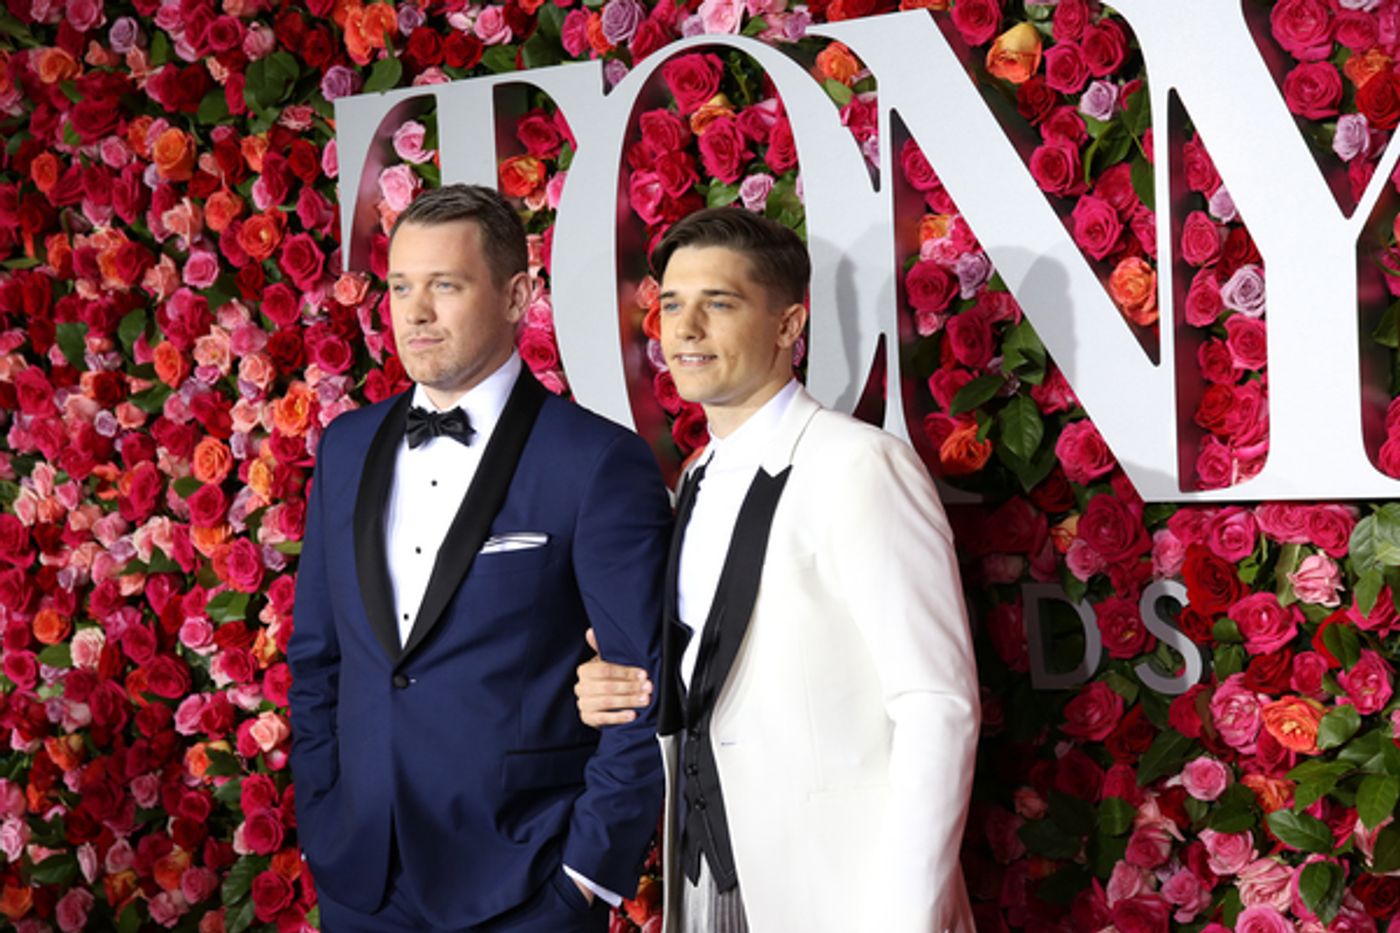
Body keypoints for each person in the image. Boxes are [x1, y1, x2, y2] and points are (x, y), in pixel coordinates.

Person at [574, 208, 979, 933]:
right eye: (671, 303)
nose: (685, 328)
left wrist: (905, 918)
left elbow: (936, 705)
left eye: (718, 303)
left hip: (839, 896)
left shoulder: (859, 464)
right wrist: (616, 681)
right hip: (707, 884)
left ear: (790, 324)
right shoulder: (694, 477)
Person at [288, 184, 670, 932]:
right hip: (360, 881)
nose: (415, 311)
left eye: (446, 285)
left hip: (526, 886)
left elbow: (642, 690)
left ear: (518, 295)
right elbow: (317, 656)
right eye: (401, 286)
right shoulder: (346, 445)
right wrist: (325, 815)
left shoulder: (596, 461)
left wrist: (584, 879)